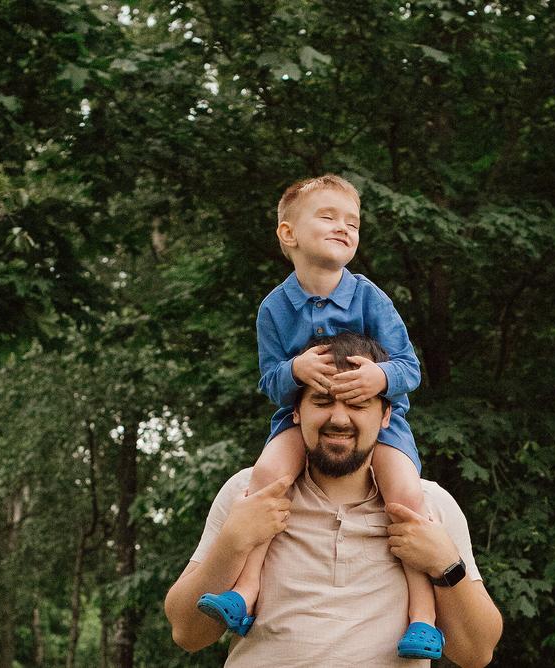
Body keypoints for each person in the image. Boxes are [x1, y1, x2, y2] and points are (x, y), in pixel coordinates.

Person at [198, 175, 438, 657]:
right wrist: (295, 369)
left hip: (381, 426)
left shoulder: (371, 298)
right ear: (289, 234)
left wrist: (379, 379)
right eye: (328, 217)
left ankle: (423, 619)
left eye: (353, 222)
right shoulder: (274, 308)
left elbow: (409, 367)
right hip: (299, 420)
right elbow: (270, 382)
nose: (344, 228)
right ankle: (244, 593)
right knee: (266, 479)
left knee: (408, 496)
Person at [164, 333, 503, 667]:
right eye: (323, 402)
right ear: (296, 411)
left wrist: (446, 565)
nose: (339, 419)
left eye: (358, 404)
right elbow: (187, 633)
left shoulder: (429, 505)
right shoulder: (251, 492)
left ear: (386, 416)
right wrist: (232, 543)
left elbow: (476, 653)